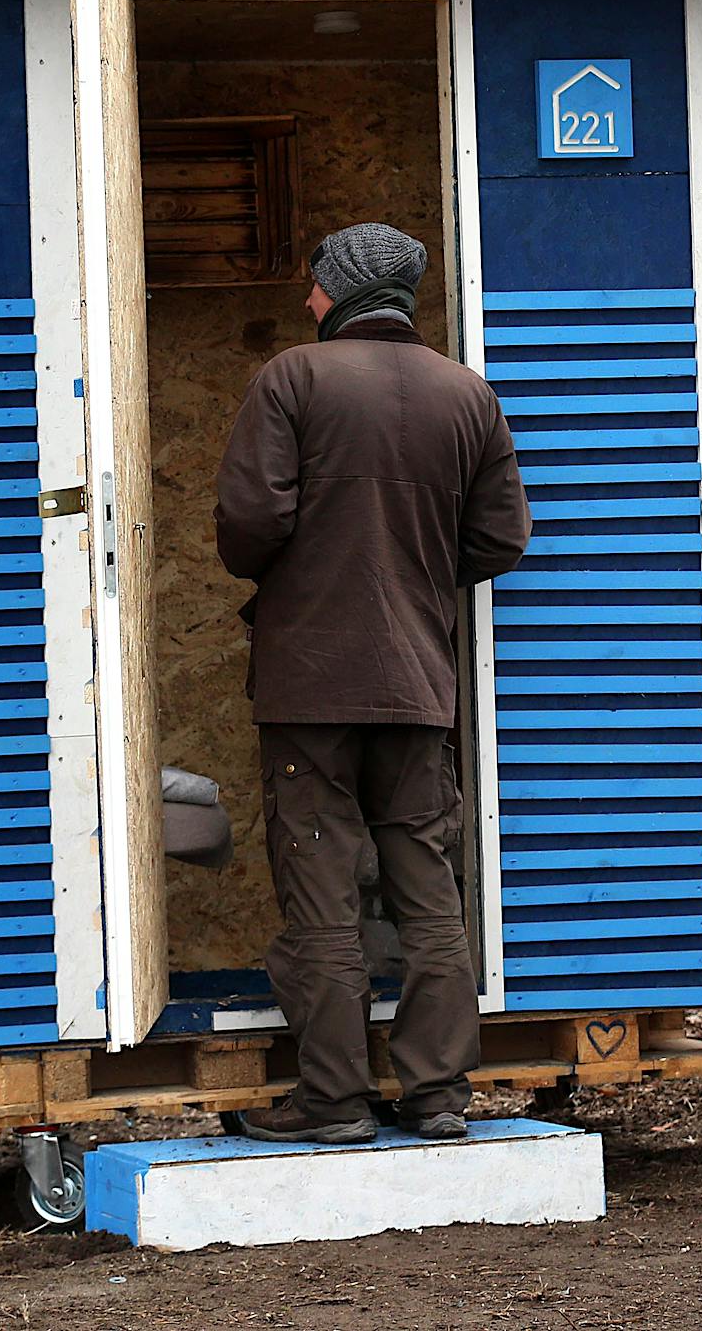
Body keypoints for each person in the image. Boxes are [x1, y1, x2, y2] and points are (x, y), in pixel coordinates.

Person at [214, 222, 532, 1145]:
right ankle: (437, 1098)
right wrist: (421, 572)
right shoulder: (467, 395)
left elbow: (248, 523)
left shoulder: (293, 379)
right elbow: (502, 538)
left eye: (315, 284)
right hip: (418, 683)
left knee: (320, 887)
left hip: (309, 685)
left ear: (343, 288)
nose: (307, 299)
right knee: (426, 887)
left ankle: (335, 1102)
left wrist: (298, 574)